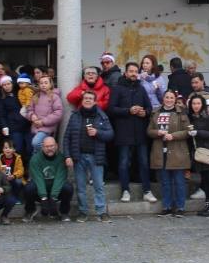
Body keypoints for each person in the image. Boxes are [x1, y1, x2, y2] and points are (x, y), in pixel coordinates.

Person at [107, 62, 156, 203]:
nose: (134, 74)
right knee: (123, 163)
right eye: (131, 71)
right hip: (124, 132)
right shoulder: (117, 89)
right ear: (125, 73)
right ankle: (125, 190)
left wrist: (144, 112)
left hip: (140, 131)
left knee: (144, 162)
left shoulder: (141, 89)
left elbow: (149, 108)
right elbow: (111, 109)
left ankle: (147, 190)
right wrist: (128, 110)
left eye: (136, 71)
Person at [63, 89, 115, 222]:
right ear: (82, 100)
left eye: (90, 99)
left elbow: (110, 135)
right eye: (85, 98)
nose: (87, 100)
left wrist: (97, 133)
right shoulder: (75, 115)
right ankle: (83, 212)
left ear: (95, 101)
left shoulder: (101, 116)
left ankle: (102, 212)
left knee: (98, 186)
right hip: (78, 156)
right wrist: (67, 155)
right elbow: (67, 137)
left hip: (95, 156)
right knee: (80, 187)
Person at [148, 90, 190, 217]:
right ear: (163, 98)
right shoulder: (155, 112)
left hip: (177, 151)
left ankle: (180, 207)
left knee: (179, 182)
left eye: (172, 97)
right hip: (161, 151)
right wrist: (157, 133)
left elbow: (188, 131)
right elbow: (149, 131)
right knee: (165, 182)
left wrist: (173, 136)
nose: (169, 100)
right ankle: (166, 207)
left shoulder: (181, 112)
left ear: (175, 99)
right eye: (167, 97)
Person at [23, 136, 73, 222]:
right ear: (42, 147)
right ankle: (30, 211)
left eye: (52, 146)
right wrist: (44, 198)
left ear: (56, 146)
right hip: (40, 189)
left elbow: (59, 178)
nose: (49, 148)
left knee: (68, 188)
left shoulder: (61, 158)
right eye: (47, 146)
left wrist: (53, 198)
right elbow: (38, 179)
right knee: (28, 188)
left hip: (56, 189)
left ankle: (64, 212)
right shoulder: (35, 159)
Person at [187, 94, 209, 217]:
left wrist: (198, 132)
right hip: (199, 153)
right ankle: (208, 204)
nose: (196, 106)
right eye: (194, 104)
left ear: (202, 105)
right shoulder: (192, 118)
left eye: (198, 103)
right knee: (205, 181)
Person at [24, 75, 62, 154]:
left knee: (36, 143)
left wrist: (43, 122)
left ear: (50, 84)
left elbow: (58, 113)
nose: (43, 85)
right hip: (35, 127)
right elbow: (29, 110)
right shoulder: (36, 96)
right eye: (41, 83)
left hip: (47, 127)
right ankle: (39, 162)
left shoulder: (54, 97)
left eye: (46, 83)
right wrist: (32, 115)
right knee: (34, 149)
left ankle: (47, 155)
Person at [0, 77, 30, 161]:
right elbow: (1, 115)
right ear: (2, 87)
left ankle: (28, 169)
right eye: (4, 85)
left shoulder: (20, 94)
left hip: (27, 126)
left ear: (12, 84)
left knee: (30, 147)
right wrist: (4, 126)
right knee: (18, 149)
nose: (7, 86)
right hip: (14, 128)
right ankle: (20, 169)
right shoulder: (2, 100)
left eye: (8, 84)